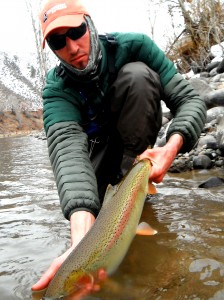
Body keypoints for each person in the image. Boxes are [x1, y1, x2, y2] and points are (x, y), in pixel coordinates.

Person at [32, 0, 206, 292]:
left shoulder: (135, 46)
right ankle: (107, 206)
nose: (72, 47)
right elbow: (68, 154)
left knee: (138, 75)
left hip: (134, 149)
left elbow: (190, 99)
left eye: (76, 31)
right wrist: (81, 246)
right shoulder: (56, 89)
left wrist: (171, 147)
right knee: (92, 224)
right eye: (58, 41)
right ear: (51, 48)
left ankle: (134, 185)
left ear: (90, 24)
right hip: (94, 161)